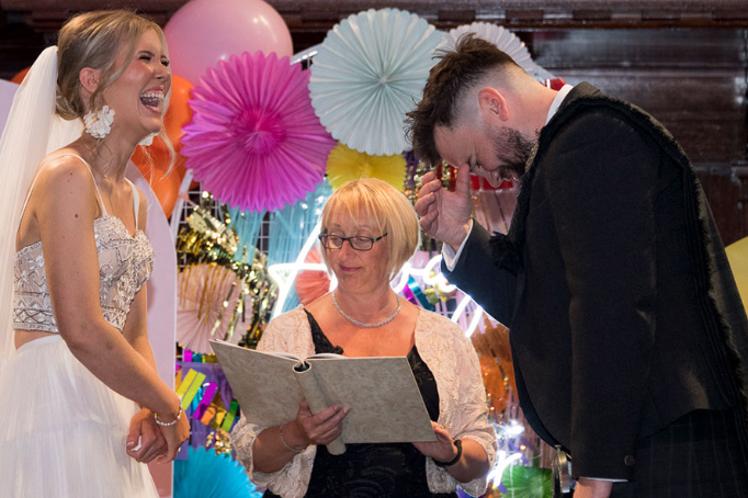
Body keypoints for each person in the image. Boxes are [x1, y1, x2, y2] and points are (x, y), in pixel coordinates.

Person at [408, 34, 748, 497]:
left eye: (472, 158)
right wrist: (457, 235)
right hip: (644, 440)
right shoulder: (563, 152)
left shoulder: (592, 139)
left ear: (493, 105)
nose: (486, 174)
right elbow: (540, 306)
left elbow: (612, 311)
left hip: (667, 443)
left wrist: (597, 472)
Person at [0, 10, 189, 498]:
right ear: (92, 80)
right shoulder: (65, 174)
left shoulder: (134, 197)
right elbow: (82, 326)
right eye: (144, 59)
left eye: (165, 61)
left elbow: (133, 330)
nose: (162, 72)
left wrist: (146, 404)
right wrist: (168, 406)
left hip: (107, 403)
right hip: (52, 402)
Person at [232, 178, 495, 498]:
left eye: (361, 239)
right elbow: (253, 454)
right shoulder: (288, 333)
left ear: (396, 242)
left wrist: (449, 453)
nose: (343, 252)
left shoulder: (444, 337)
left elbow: (480, 457)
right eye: (334, 237)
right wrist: (298, 433)